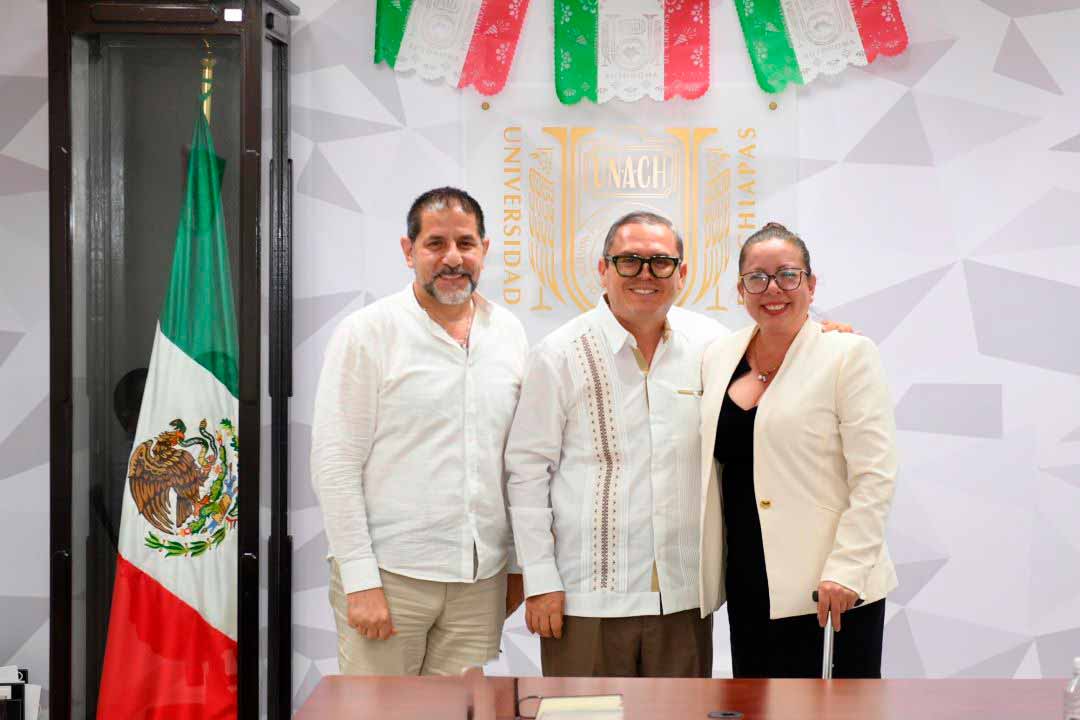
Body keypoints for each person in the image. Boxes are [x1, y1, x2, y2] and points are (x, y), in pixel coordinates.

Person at [311, 187, 527, 676]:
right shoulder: (367, 332)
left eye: (465, 244)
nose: (453, 258)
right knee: (379, 712)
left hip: (480, 582)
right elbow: (335, 463)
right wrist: (360, 579)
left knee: (461, 711)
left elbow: (514, 461)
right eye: (435, 244)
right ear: (409, 251)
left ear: (485, 250)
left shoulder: (508, 333)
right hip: (389, 578)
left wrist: (515, 565)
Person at [506, 211, 729, 677]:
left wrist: (827, 337)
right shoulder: (560, 353)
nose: (645, 274)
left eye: (661, 262)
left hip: (682, 600)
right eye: (628, 261)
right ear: (603, 270)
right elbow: (527, 472)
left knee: (680, 715)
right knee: (584, 712)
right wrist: (539, 580)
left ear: (682, 273)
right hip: (585, 600)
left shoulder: (713, 346)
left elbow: (775, 361)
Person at [697, 222, 898, 678]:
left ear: (811, 284)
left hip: (830, 585)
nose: (773, 289)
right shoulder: (717, 356)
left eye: (788, 275)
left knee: (838, 709)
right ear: (740, 290)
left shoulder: (847, 355)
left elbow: (875, 475)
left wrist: (847, 569)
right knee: (757, 703)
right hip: (749, 576)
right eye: (757, 277)